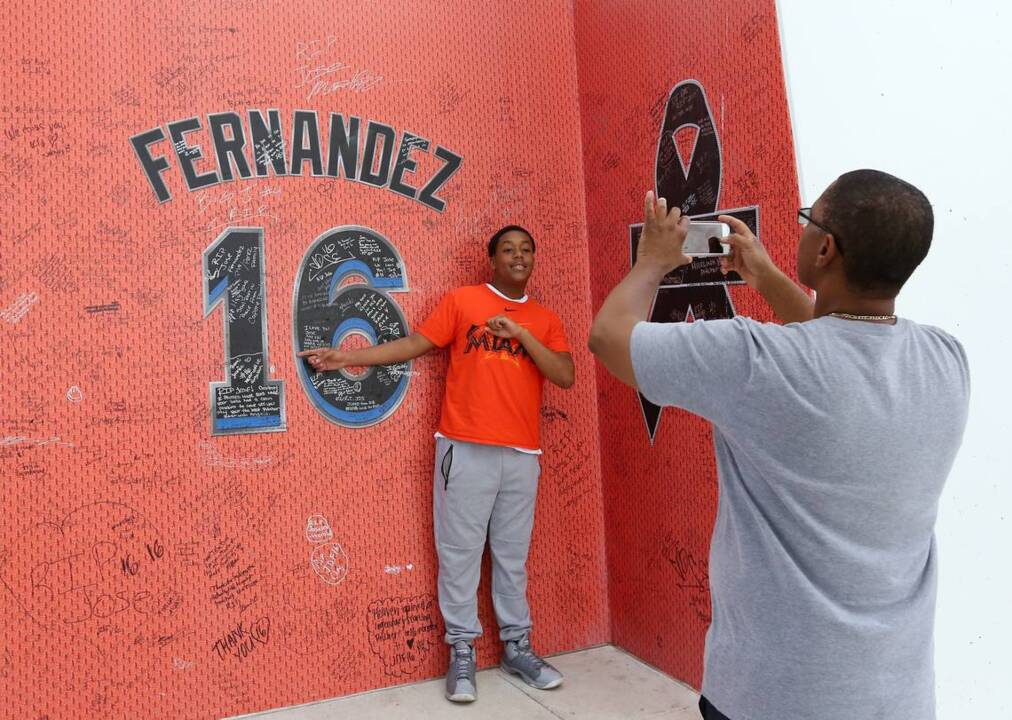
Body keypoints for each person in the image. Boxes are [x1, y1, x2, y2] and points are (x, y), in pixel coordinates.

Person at [588, 170, 969, 720]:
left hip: (772, 696)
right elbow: (841, 342)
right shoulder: (946, 360)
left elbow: (609, 337)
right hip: (899, 697)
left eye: (808, 219)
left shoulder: (753, 361)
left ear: (826, 249)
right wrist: (765, 275)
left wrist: (652, 259)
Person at [299, 225, 574, 704]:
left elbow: (564, 375)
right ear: (492, 259)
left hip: (522, 455)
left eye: (526, 249)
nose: (518, 256)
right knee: (460, 553)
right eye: (508, 249)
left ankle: (516, 647)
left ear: (534, 259)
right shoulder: (464, 301)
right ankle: (462, 651)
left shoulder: (544, 319)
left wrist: (522, 334)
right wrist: (348, 355)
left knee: (511, 559)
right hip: (464, 449)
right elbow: (413, 345)